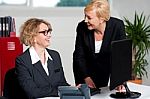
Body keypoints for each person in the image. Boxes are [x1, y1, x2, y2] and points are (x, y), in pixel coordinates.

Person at [73, 0, 126, 91]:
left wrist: (120, 81)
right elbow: (79, 56)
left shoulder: (117, 26)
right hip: (83, 70)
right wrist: (86, 77)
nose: (85, 20)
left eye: (89, 18)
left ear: (101, 19)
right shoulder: (82, 27)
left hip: (104, 69)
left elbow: (121, 55)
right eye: (85, 16)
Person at [15, 18, 69, 99]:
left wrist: (73, 89)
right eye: (45, 32)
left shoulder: (55, 55)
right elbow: (33, 92)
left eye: (49, 31)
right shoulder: (22, 61)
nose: (49, 35)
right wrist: (59, 91)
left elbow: (62, 84)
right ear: (33, 37)